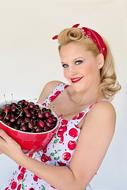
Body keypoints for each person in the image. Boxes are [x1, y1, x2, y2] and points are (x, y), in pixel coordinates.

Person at [0, 24, 121, 190]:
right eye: (65, 65)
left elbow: (76, 183)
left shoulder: (101, 112)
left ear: (99, 60)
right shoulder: (52, 90)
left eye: (78, 62)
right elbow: (26, 141)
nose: (70, 73)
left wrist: (18, 157)